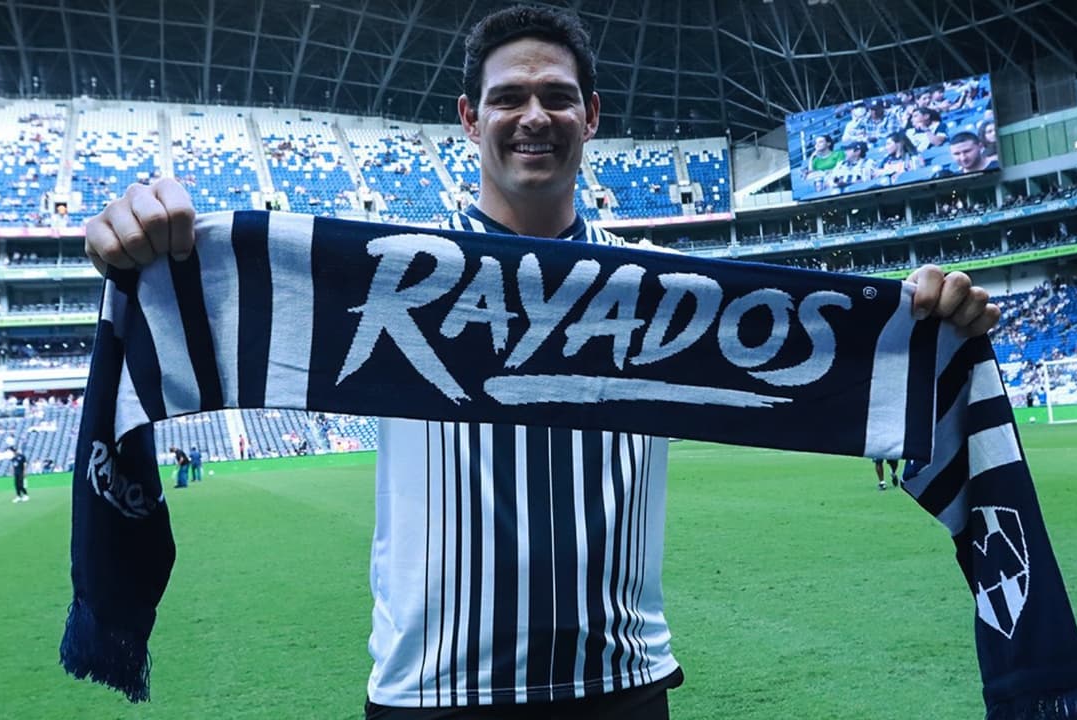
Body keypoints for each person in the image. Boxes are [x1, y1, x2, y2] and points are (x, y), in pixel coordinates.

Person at [83, 6, 1000, 717]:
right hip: (432, 692)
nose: (535, 115)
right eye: (509, 98)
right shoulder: (384, 276)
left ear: (591, 116)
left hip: (624, 685)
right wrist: (150, 253)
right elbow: (217, 292)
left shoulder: (666, 290)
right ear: (468, 120)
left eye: (557, 96)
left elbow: (815, 347)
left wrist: (925, 326)